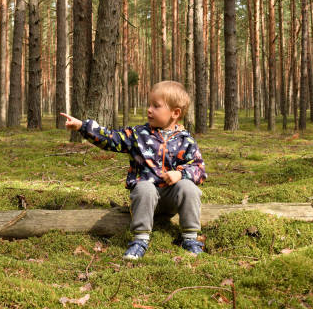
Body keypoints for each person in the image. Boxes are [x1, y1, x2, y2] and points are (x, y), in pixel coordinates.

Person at [61, 80, 206, 260]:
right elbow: (111, 138)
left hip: (171, 200)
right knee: (145, 187)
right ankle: (140, 239)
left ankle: (190, 238)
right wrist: (82, 126)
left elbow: (199, 168)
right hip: (144, 199)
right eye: (149, 104)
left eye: (156, 106)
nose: (149, 110)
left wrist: (181, 173)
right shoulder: (138, 135)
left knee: (189, 187)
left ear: (175, 113)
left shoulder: (186, 141)